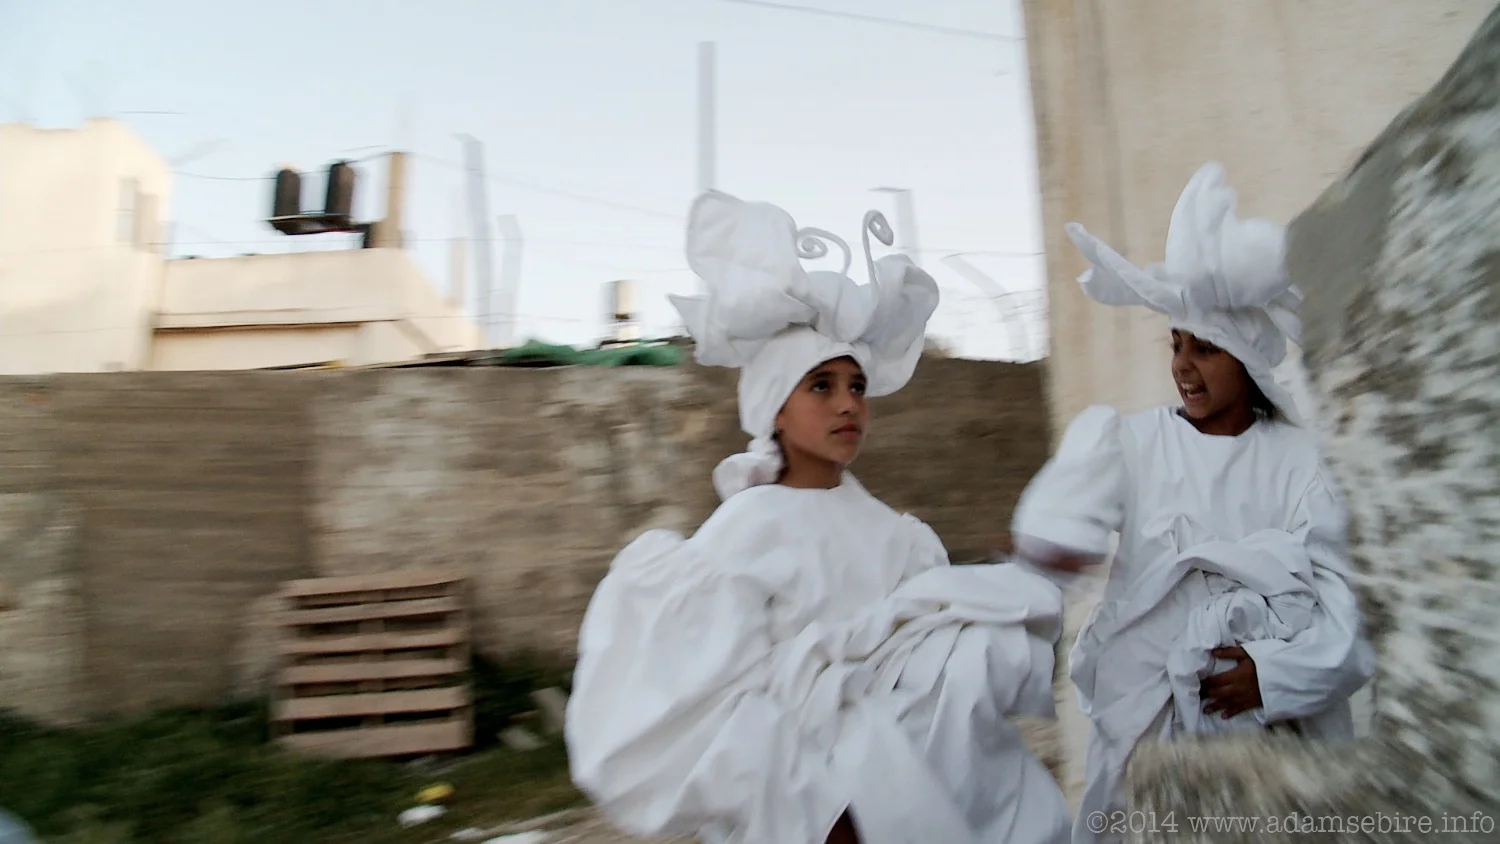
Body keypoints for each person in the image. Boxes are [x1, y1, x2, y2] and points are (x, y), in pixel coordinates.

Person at [565, 191, 1073, 844]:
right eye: (821, 386)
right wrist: (823, 802)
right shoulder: (742, 535)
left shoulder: (898, 537)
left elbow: (931, 684)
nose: (847, 406)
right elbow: (722, 710)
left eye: (857, 386)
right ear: (775, 406)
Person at [1008, 163, 1377, 844]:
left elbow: (1348, 614)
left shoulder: (1301, 463)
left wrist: (1271, 676)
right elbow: (1065, 514)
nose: (1183, 364)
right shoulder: (1130, 443)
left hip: (1268, 752)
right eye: (1176, 344)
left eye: (1205, 348)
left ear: (1248, 359)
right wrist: (1056, 540)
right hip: (1153, 748)